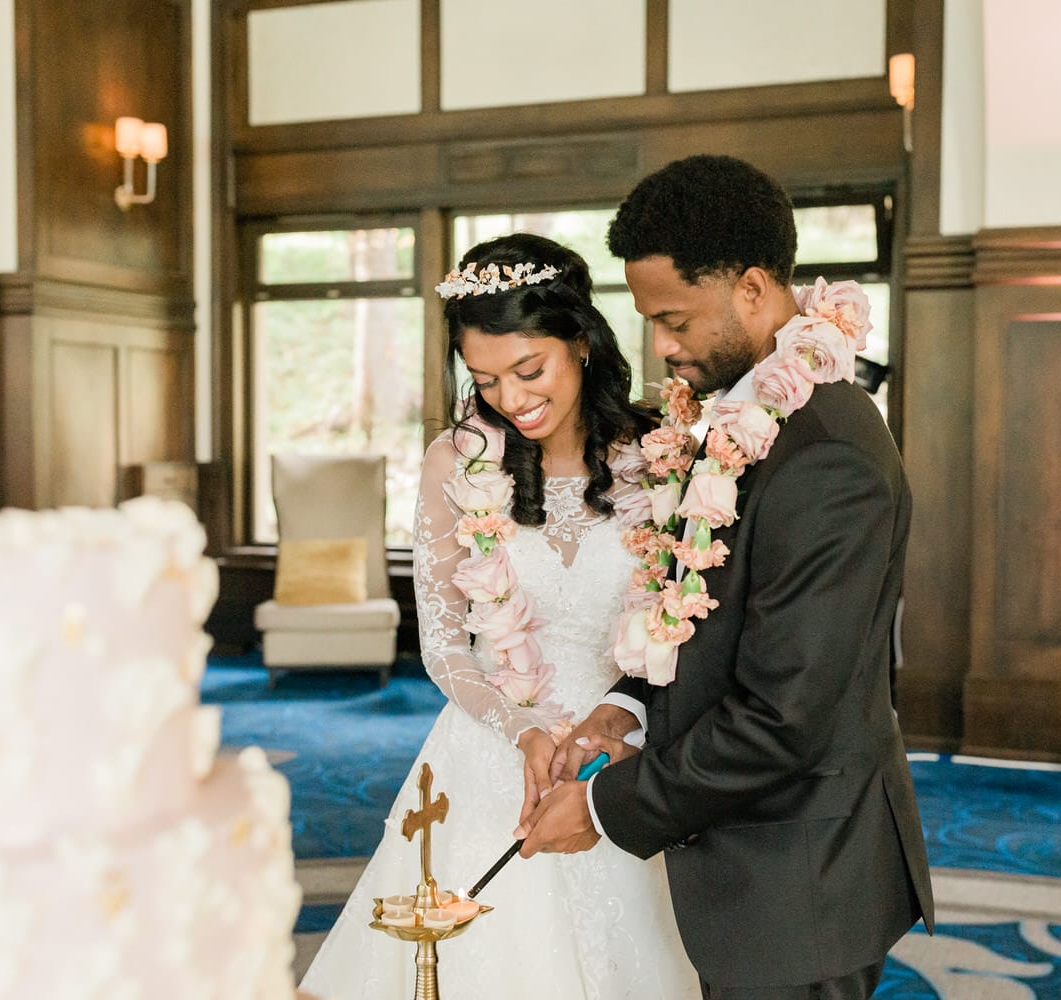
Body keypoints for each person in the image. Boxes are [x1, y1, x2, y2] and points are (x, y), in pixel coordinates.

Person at [516, 155, 936, 999]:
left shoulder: (826, 454)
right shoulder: (738, 415)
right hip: (750, 859)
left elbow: (784, 717)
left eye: (674, 318)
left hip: (801, 879)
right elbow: (699, 604)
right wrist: (626, 704)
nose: (660, 347)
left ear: (751, 288)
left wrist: (603, 810)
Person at [299, 233, 699, 999]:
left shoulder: (662, 453)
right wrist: (524, 730)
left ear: (580, 342)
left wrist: (619, 720)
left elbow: (687, 625)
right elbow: (446, 649)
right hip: (493, 748)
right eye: (485, 380)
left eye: (529, 370)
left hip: (626, 755)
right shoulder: (456, 461)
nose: (511, 400)